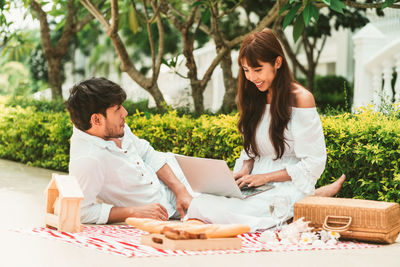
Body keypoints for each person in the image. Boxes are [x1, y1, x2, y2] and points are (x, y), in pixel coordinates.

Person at [66, 77, 193, 224]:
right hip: (170, 207)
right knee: (221, 210)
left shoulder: (113, 128)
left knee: (222, 184)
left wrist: (180, 189)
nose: (125, 113)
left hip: (178, 175)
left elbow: (147, 154)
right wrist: (134, 212)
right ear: (97, 120)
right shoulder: (88, 160)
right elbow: (81, 211)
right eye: (117, 109)